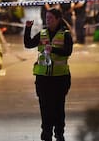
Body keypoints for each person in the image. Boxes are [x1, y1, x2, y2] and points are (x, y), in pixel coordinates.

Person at [24, 8, 73, 141]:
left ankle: (59, 133)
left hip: (60, 78)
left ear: (58, 19)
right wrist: (28, 28)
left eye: (51, 18)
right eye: (47, 18)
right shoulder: (42, 33)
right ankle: (46, 133)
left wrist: (54, 49)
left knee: (58, 107)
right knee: (45, 107)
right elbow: (28, 44)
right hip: (43, 78)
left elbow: (68, 51)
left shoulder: (65, 34)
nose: (48, 20)